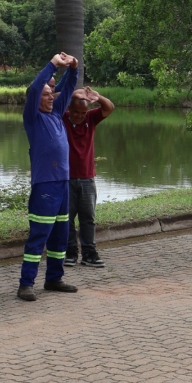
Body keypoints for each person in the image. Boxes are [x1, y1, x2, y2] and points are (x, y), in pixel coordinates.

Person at [17, 52, 80, 301]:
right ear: (35, 99)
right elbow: (35, 88)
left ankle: (54, 278)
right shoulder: (33, 118)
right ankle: (26, 284)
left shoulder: (55, 113)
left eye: (51, 94)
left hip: (62, 184)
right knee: (39, 235)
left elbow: (69, 87)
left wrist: (73, 67)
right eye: (45, 95)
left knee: (60, 234)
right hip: (45, 185)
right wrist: (54, 64)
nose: (50, 97)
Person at [64, 87, 115, 268]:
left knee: (88, 218)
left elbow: (109, 108)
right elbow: (49, 101)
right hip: (67, 178)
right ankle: (70, 252)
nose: (79, 116)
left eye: (83, 113)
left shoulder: (91, 119)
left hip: (87, 178)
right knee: (66, 218)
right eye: (76, 112)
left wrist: (97, 97)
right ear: (69, 109)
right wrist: (73, 93)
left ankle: (89, 253)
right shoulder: (62, 118)